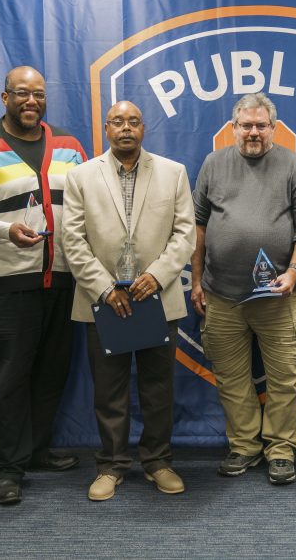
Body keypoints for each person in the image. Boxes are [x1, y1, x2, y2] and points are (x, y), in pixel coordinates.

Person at [0, 66, 87, 505]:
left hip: (64, 280)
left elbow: (89, 203)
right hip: (5, 284)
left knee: (52, 373)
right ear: (4, 97)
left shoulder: (70, 146)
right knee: (8, 380)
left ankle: (36, 451)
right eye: (21, 94)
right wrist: (2, 230)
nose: (31, 101)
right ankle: (5, 469)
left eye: (38, 94)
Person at [62, 101, 196, 501]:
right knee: (109, 389)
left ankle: (158, 461)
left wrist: (155, 276)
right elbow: (72, 240)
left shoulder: (173, 173)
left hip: (156, 296)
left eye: (133, 122)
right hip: (103, 300)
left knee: (158, 387)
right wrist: (104, 288)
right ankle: (112, 465)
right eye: (118, 121)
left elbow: (185, 234)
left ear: (144, 128)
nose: (126, 128)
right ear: (106, 128)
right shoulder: (81, 176)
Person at [190, 92, 296, 485]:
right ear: (233, 128)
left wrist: (295, 272)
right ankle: (244, 445)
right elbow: (197, 225)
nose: (253, 132)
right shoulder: (214, 163)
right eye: (245, 125)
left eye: (260, 126)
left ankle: (280, 449)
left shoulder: (294, 165)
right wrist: (196, 280)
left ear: (273, 129)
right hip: (221, 295)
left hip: (278, 296)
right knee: (231, 376)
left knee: (285, 377)